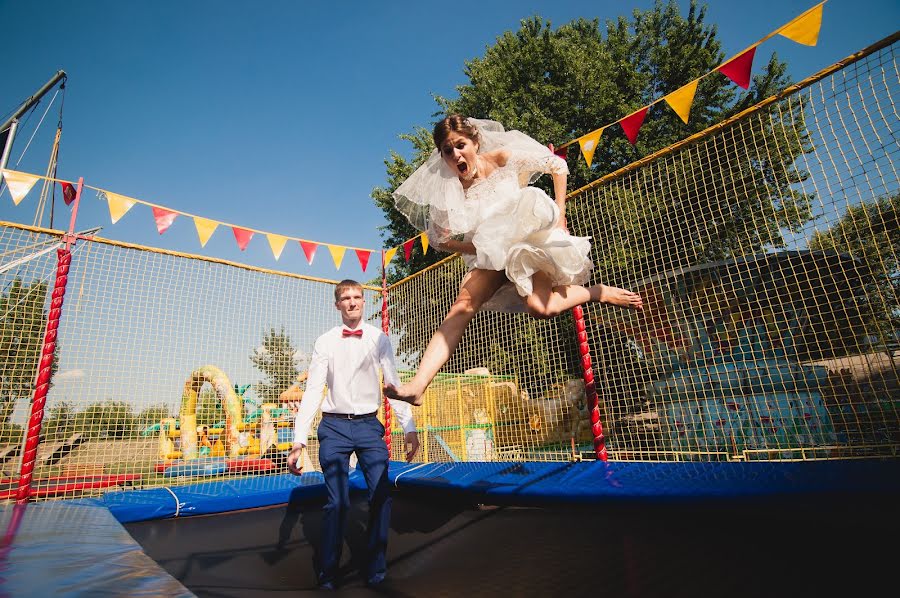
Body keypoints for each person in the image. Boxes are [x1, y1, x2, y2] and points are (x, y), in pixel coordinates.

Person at [384, 115, 643, 406]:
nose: (456, 154)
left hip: (528, 243)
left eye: (460, 145)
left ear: (475, 142)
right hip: (493, 257)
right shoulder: (450, 192)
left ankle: (597, 292)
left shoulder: (502, 158)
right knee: (461, 307)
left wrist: (560, 216)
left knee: (543, 308)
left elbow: (557, 165)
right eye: (447, 150)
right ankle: (418, 385)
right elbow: (439, 240)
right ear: (442, 156)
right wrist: (479, 248)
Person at [287, 279, 419, 590]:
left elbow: (393, 384)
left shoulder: (378, 338)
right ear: (337, 305)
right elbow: (313, 391)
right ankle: (328, 573)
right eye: (345, 298)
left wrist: (409, 428)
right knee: (338, 504)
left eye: (357, 297)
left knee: (381, 494)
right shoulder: (325, 342)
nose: (352, 302)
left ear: (363, 301)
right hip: (333, 428)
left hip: (368, 426)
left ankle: (375, 564)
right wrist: (298, 439)